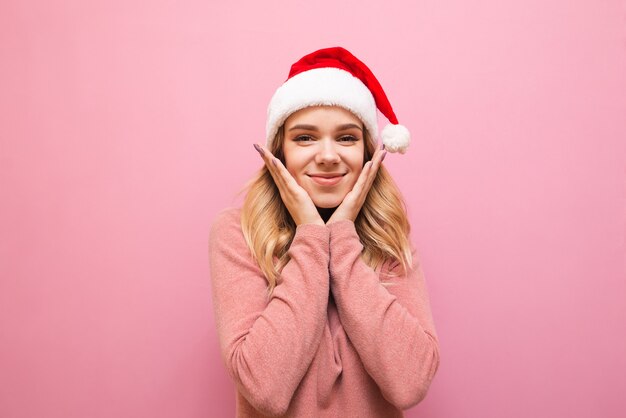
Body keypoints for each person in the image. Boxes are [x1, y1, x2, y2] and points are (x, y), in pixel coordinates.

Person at [209, 46, 440, 418]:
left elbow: (409, 383)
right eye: (305, 138)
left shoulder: (388, 233)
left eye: (346, 138)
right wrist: (313, 237)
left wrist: (343, 239)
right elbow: (263, 388)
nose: (328, 155)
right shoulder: (238, 234)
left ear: (368, 151)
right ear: (279, 150)